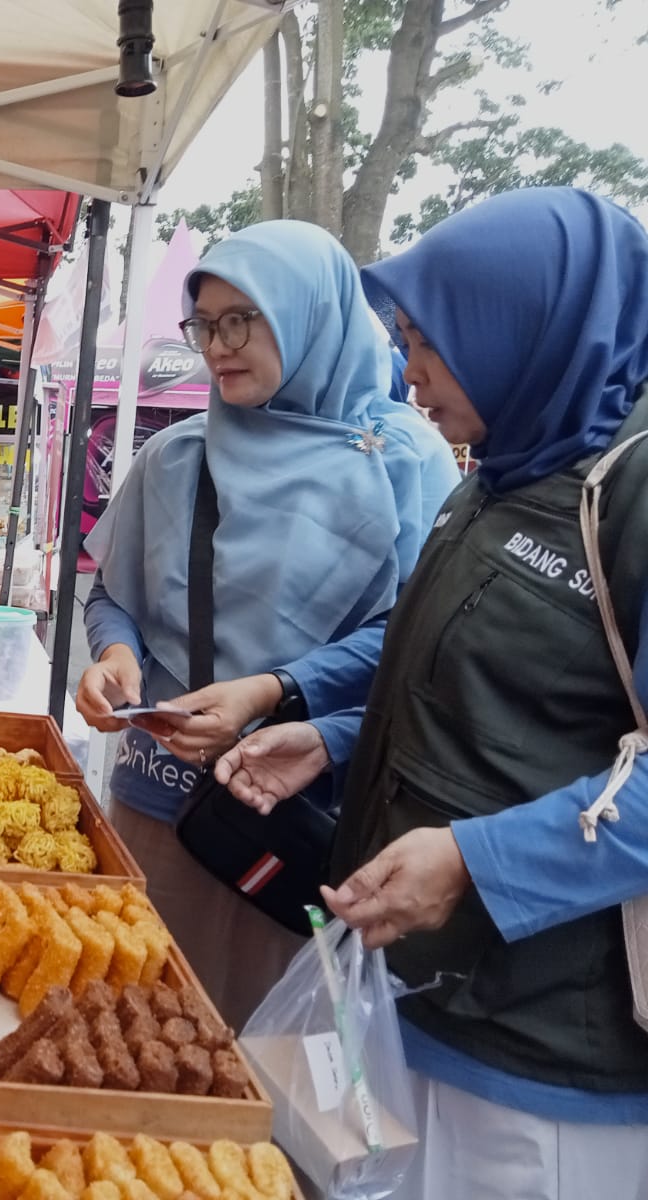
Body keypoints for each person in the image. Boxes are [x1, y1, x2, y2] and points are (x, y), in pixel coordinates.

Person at [215, 189, 648, 1198]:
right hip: (397, 1006)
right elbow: (462, 678)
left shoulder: (628, 492)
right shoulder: (498, 470)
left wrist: (474, 860)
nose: (406, 372)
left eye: (427, 342)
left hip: (540, 1065)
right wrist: (326, 733)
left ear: (526, 327)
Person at [72, 220, 461, 1027]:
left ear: (310, 315)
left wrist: (273, 692)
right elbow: (112, 593)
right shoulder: (175, 456)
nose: (219, 344)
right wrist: (114, 655)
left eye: (245, 318)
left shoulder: (403, 462)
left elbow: (415, 636)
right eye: (206, 323)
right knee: (128, 1039)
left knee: (266, 1076)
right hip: (158, 805)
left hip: (299, 820)